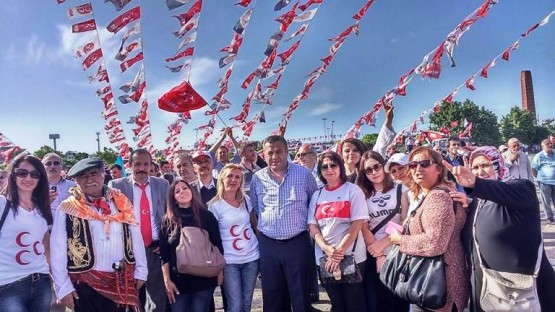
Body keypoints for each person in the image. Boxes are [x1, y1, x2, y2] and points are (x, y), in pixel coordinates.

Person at [446, 146, 555, 311]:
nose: (480, 171)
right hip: (488, 290)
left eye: (485, 165)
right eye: (475, 167)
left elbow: (503, 193)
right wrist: (469, 201)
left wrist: (475, 183)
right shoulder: (478, 202)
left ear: (498, 164)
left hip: (522, 293)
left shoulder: (522, 189)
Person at [50, 157, 148, 311]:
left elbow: (135, 236)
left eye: (94, 173)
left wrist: (141, 270)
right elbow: (58, 250)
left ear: (103, 174)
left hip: (121, 279)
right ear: (76, 181)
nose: (89, 180)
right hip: (85, 284)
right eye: (83, 176)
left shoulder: (121, 201)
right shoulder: (67, 207)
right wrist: (63, 287)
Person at [388, 147, 468, 312]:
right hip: (431, 279)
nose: (418, 169)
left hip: (439, 282)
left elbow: (435, 243)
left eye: (424, 164)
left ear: (439, 168)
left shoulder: (438, 197)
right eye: (413, 165)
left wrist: (400, 240)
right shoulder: (428, 194)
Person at [250, 135, 318, 312]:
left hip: (298, 243)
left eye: (279, 151)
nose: (274, 156)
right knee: (272, 296)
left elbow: (314, 203)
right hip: (269, 245)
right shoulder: (257, 178)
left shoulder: (303, 174)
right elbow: (257, 208)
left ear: (287, 152)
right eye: (269, 153)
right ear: (263, 155)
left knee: (300, 295)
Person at [108, 149, 170, 312]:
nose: (142, 168)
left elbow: (170, 216)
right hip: (129, 252)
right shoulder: (116, 186)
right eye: (137, 164)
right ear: (130, 165)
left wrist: (165, 242)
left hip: (154, 249)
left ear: (151, 166)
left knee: (157, 299)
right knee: (131, 298)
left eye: (145, 164)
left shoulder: (162, 184)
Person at [308, 151, 368, 312]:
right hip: (324, 258)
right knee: (337, 304)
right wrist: (327, 249)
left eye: (333, 165)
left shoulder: (353, 190)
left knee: (354, 304)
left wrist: (338, 252)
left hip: (352, 256)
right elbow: (313, 226)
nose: (329, 169)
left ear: (340, 167)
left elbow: (357, 224)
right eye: (324, 166)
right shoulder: (317, 195)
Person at [356, 151, 409, 312]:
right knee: (382, 301)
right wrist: (379, 254)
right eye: (368, 170)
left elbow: (405, 221)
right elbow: (364, 226)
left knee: (401, 299)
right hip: (374, 252)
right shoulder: (362, 194)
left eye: (377, 167)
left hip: (398, 250)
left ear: (383, 166)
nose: (374, 172)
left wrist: (384, 245)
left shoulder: (401, 189)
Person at [160, 179, 223, 312]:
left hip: (204, 279)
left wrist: (220, 272)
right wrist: (167, 281)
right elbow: (164, 254)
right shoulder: (168, 220)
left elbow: (218, 246)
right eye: (177, 191)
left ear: (191, 191)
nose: (182, 192)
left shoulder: (207, 216)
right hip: (178, 282)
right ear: (173, 198)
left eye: (185, 188)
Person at [0, 155, 53, 312]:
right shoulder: (2, 204)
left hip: (41, 282)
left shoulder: (41, 207)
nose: (28, 178)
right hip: (8, 284)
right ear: (13, 175)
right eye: (22, 173)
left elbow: (45, 243)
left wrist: (53, 275)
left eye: (34, 174)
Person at [208, 164, 259, 312]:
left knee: (247, 303)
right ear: (222, 178)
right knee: (235, 306)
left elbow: (254, 225)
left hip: (252, 258)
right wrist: (218, 267)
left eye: (237, 177)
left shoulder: (246, 200)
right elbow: (212, 239)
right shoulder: (214, 206)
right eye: (230, 176)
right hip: (230, 262)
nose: (233, 180)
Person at [42, 152, 76, 218]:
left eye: (56, 163)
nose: (52, 166)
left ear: (62, 167)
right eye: (48, 164)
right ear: (43, 167)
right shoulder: (37, 187)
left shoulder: (73, 186)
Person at [532, 139, 555, 224]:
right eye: (547, 144)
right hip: (545, 182)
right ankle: (550, 217)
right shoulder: (539, 156)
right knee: (546, 201)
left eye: (551, 143)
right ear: (542, 146)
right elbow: (534, 169)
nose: (550, 145)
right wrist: (540, 179)